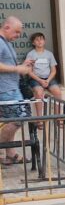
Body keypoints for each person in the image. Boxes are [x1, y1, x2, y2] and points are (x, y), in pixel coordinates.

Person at [0, 16, 32, 165]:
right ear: (6, 27)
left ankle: (10, 152)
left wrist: (22, 65)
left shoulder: (6, 42)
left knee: (12, 120)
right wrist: (16, 68)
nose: (18, 35)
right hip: (6, 90)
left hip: (11, 88)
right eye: (16, 32)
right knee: (19, 118)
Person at [25, 32, 63, 127]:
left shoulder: (49, 54)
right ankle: (39, 119)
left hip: (49, 78)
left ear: (44, 41)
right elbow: (29, 71)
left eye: (41, 39)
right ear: (33, 43)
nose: (39, 41)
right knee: (39, 92)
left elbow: (53, 70)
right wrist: (40, 81)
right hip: (36, 79)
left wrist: (48, 80)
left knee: (57, 92)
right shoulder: (31, 54)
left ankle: (58, 117)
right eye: (37, 40)